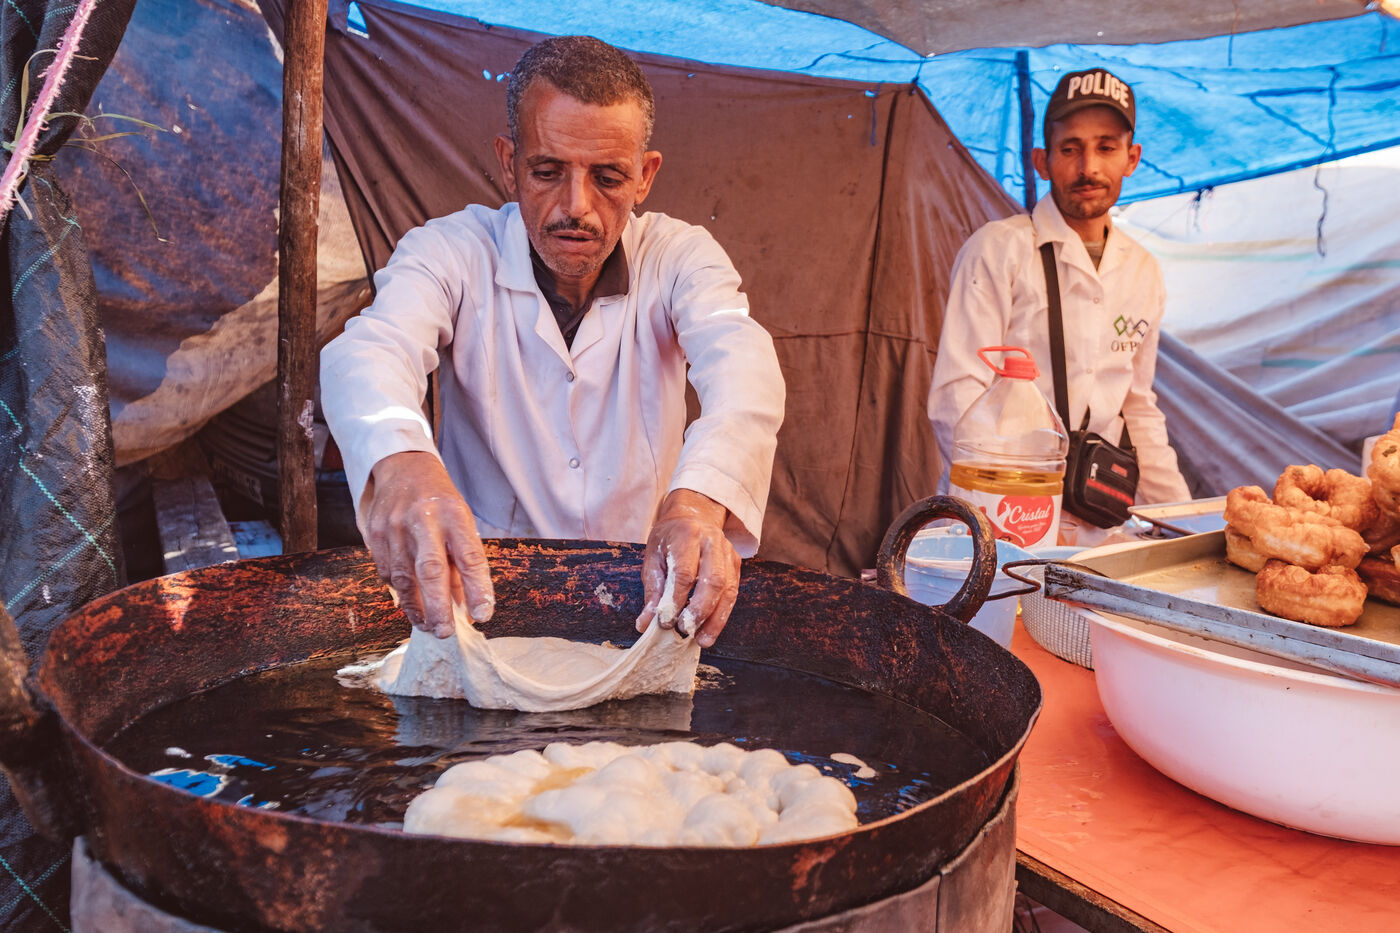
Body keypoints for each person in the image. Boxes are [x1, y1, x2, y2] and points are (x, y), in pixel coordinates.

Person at [321, 36, 785, 647]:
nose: (576, 207)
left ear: (645, 177)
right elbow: (371, 350)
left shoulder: (679, 259)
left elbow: (743, 372)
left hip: (643, 603)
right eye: (547, 172)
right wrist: (403, 462)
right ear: (509, 163)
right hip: (484, 606)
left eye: (608, 177)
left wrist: (698, 504)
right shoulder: (453, 252)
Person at [927, 67, 1190, 545]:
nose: (1089, 167)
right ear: (1042, 161)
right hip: (998, 512)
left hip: (1097, 518)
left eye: (1106, 147)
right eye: (1070, 149)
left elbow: (1138, 407)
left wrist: (1182, 521)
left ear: (1131, 158)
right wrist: (1019, 509)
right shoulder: (999, 249)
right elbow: (956, 397)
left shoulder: (1143, 270)